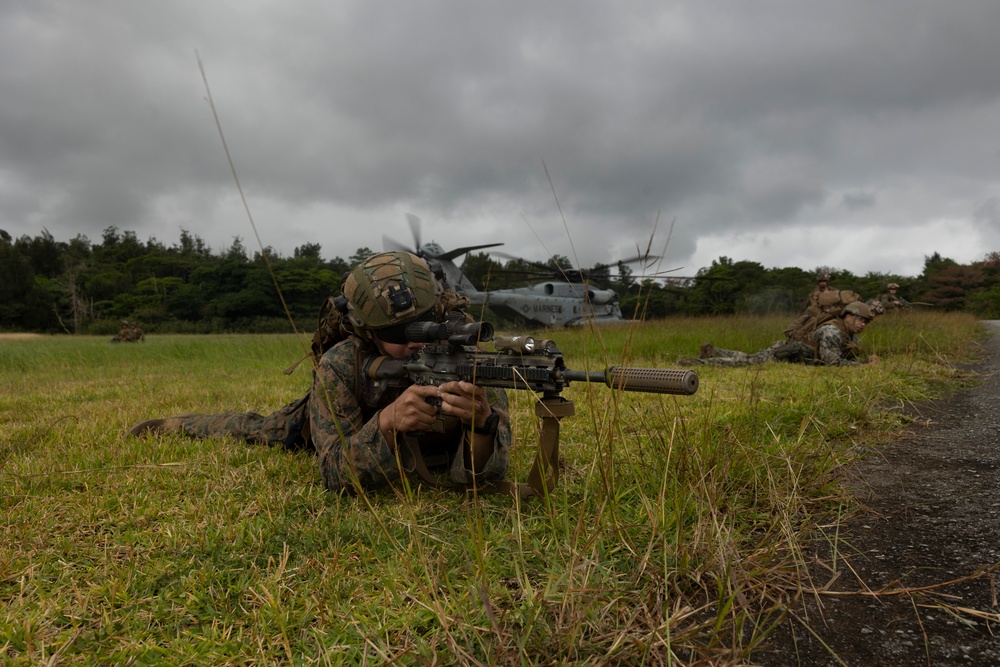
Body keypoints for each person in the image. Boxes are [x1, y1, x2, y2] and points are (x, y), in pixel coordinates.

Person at [129, 251, 511, 494]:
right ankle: (177, 424)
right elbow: (333, 472)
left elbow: (484, 477)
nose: (415, 341)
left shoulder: (466, 358)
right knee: (261, 430)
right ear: (368, 330)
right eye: (397, 333)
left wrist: (482, 425)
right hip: (337, 421)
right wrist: (387, 424)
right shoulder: (343, 363)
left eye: (425, 323)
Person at [695, 301, 879, 367]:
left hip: (788, 352)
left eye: (866, 322)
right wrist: (863, 366)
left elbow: (846, 355)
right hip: (786, 354)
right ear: (848, 316)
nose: (863, 324)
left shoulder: (850, 335)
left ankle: (714, 351)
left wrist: (864, 361)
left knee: (750, 357)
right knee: (746, 362)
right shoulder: (832, 332)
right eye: (861, 319)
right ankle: (698, 363)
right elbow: (833, 362)